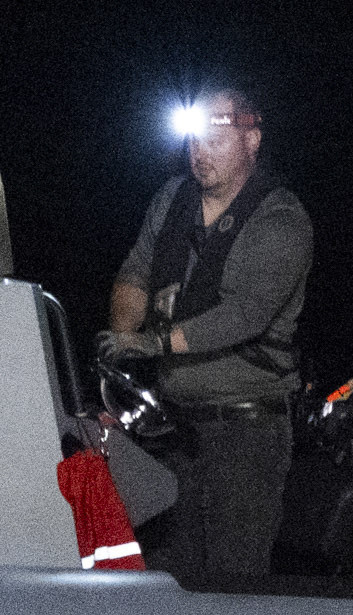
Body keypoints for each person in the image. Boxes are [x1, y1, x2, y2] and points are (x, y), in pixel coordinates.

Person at [104, 84, 312, 584]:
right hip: (175, 428)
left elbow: (247, 315)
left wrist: (156, 344)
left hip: (246, 433)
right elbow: (136, 272)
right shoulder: (172, 199)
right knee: (166, 578)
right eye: (194, 138)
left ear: (252, 139)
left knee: (232, 583)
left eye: (217, 136)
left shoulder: (282, 220)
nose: (201, 152)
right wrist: (115, 356)